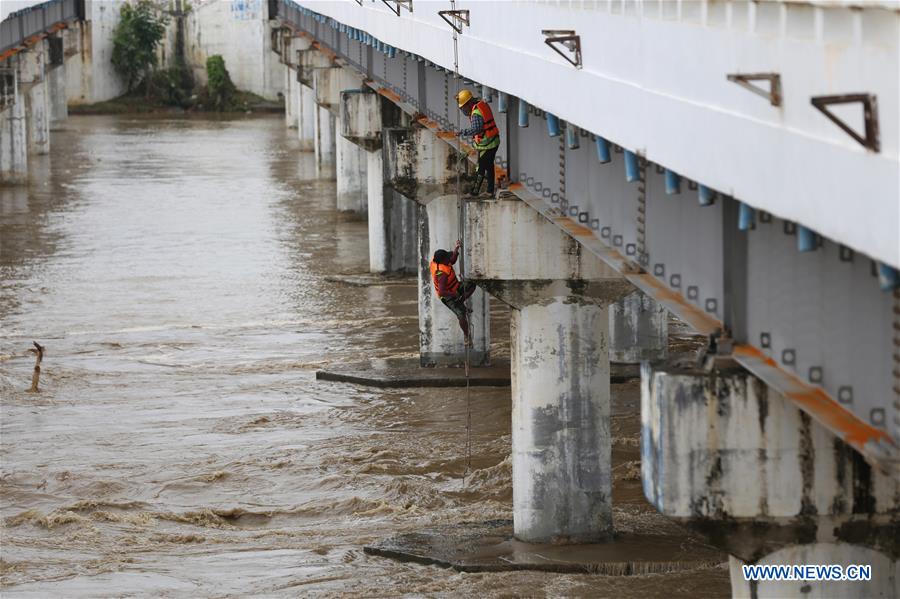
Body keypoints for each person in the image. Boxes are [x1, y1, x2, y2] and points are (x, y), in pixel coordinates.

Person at [430, 240, 477, 345]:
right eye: (447, 258)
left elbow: (453, 260)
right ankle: (466, 336)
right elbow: (442, 292)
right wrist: (454, 294)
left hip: (455, 286)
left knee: (473, 284)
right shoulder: (442, 275)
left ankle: (460, 301)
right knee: (461, 315)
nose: (449, 259)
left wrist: (456, 248)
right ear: (442, 261)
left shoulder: (440, 261)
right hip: (447, 296)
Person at [456, 89, 501, 198]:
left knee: (480, 169)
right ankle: (490, 191)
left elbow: (476, 129)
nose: (463, 110)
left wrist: (463, 132)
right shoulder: (481, 105)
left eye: (463, 108)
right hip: (493, 140)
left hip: (487, 145)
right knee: (489, 167)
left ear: (468, 104)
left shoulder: (476, 113)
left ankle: (474, 192)